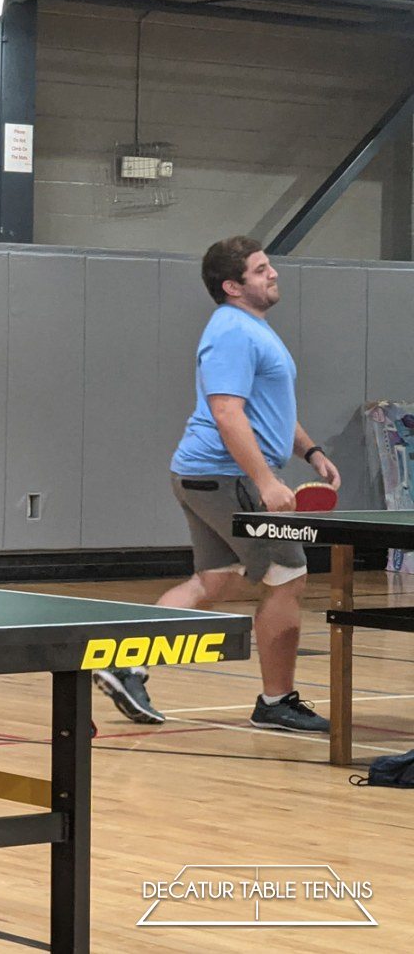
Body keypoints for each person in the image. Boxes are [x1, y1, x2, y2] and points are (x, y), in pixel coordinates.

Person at [96, 236, 338, 733]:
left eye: (269, 266)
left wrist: (310, 452)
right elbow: (227, 413)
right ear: (233, 286)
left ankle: (126, 665)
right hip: (225, 477)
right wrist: (265, 480)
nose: (273, 273)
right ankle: (276, 701)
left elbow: (270, 410)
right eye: (260, 269)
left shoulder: (253, 329)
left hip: (206, 476)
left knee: (215, 580)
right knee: (288, 576)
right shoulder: (231, 332)